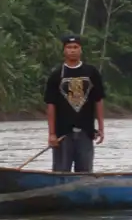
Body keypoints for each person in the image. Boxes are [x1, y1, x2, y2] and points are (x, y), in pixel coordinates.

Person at [44, 34, 105, 172]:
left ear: (81, 50)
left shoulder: (91, 72)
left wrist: (101, 128)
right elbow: (51, 105)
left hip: (86, 131)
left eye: (75, 47)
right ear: (64, 50)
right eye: (69, 47)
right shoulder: (57, 75)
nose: (72, 50)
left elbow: (98, 100)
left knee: (84, 172)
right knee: (60, 171)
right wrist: (52, 134)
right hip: (63, 133)